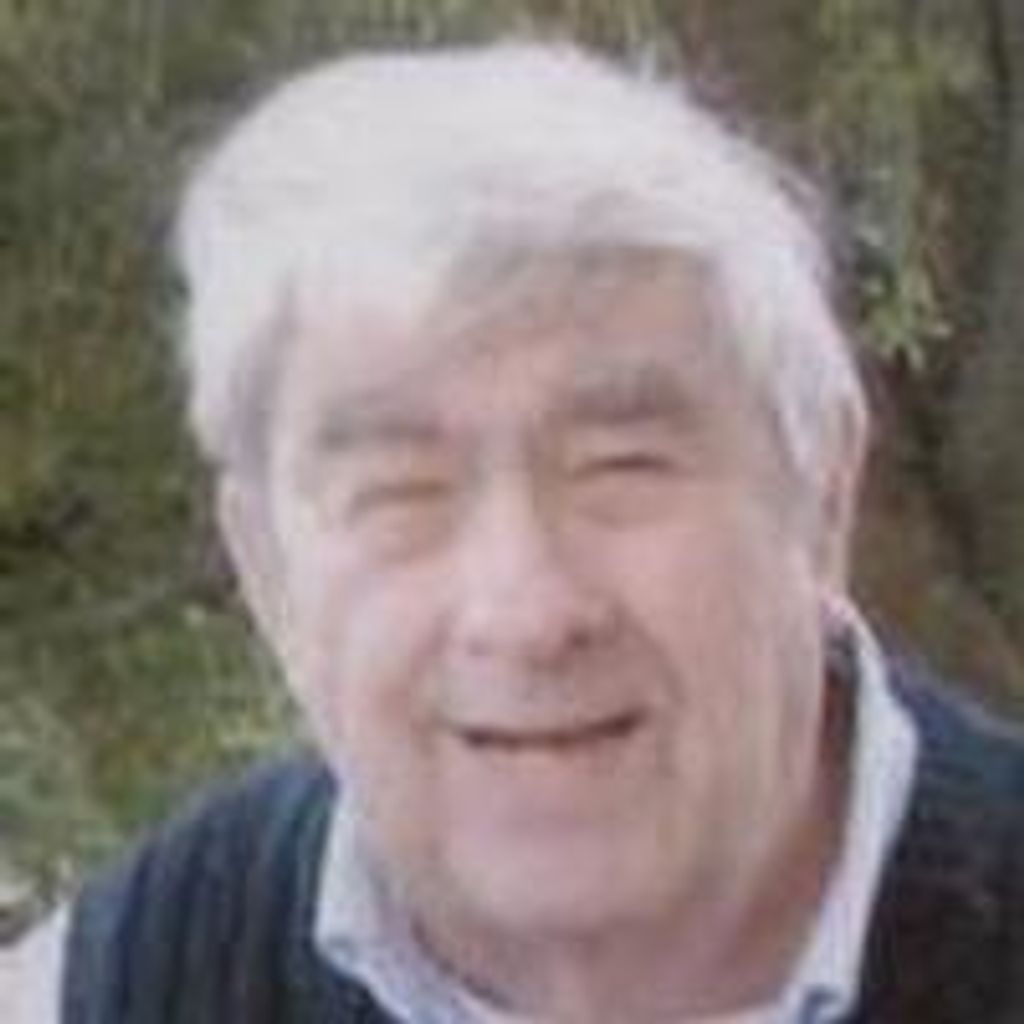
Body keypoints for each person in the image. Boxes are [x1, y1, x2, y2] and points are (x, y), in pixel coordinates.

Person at [5, 40, 1024, 1024]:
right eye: (400, 491)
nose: (527, 610)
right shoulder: (120, 982)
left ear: (821, 495)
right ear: (267, 573)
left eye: (621, 467)